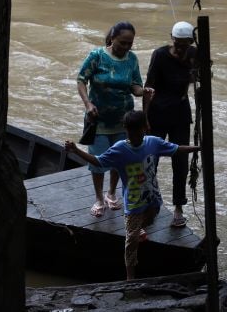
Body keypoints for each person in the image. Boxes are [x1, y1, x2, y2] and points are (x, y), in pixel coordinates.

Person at [64, 110, 200, 280]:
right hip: (134, 204)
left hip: (153, 199)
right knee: (131, 241)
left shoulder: (153, 143)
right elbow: (98, 161)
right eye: (131, 131)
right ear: (125, 130)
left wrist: (198, 148)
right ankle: (130, 278)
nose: (135, 135)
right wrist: (76, 150)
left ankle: (138, 229)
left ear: (145, 128)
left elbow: (177, 149)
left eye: (138, 131)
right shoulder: (120, 149)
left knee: (150, 220)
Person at [76, 21, 154, 217]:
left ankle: (111, 193)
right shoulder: (97, 56)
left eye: (130, 43)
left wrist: (143, 91)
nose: (126, 47)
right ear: (112, 39)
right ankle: (99, 198)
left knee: (120, 158)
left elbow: (135, 86)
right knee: (98, 160)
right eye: (123, 43)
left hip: (123, 119)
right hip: (98, 119)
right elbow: (81, 80)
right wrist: (88, 104)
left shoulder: (132, 59)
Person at [143, 21, 197, 227]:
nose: (181, 48)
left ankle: (178, 207)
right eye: (178, 43)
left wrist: (196, 75)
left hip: (180, 114)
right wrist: (145, 117)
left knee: (180, 161)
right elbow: (149, 86)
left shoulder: (194, 54)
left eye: (186, 44)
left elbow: (202, 77)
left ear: (191, 42)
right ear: (171, 39)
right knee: (150, 160)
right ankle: (148, 203)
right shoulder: (159, 54)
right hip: (158, 113)